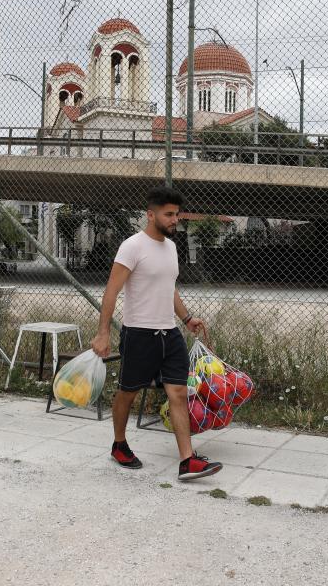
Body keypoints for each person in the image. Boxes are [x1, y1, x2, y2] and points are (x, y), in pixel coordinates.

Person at [91, 186, 223, 481]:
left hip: (170, 333)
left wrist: (186, 318)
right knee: (128, 392)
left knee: (178, 392)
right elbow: (111, 290)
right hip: (139, 334)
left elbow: (169, 287)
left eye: (177, 214)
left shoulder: (171, 248)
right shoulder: (132, 247)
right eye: (169, 214)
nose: (175, 219)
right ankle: (119, 444)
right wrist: (103, 332)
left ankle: (187, 461)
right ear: (151, 215)